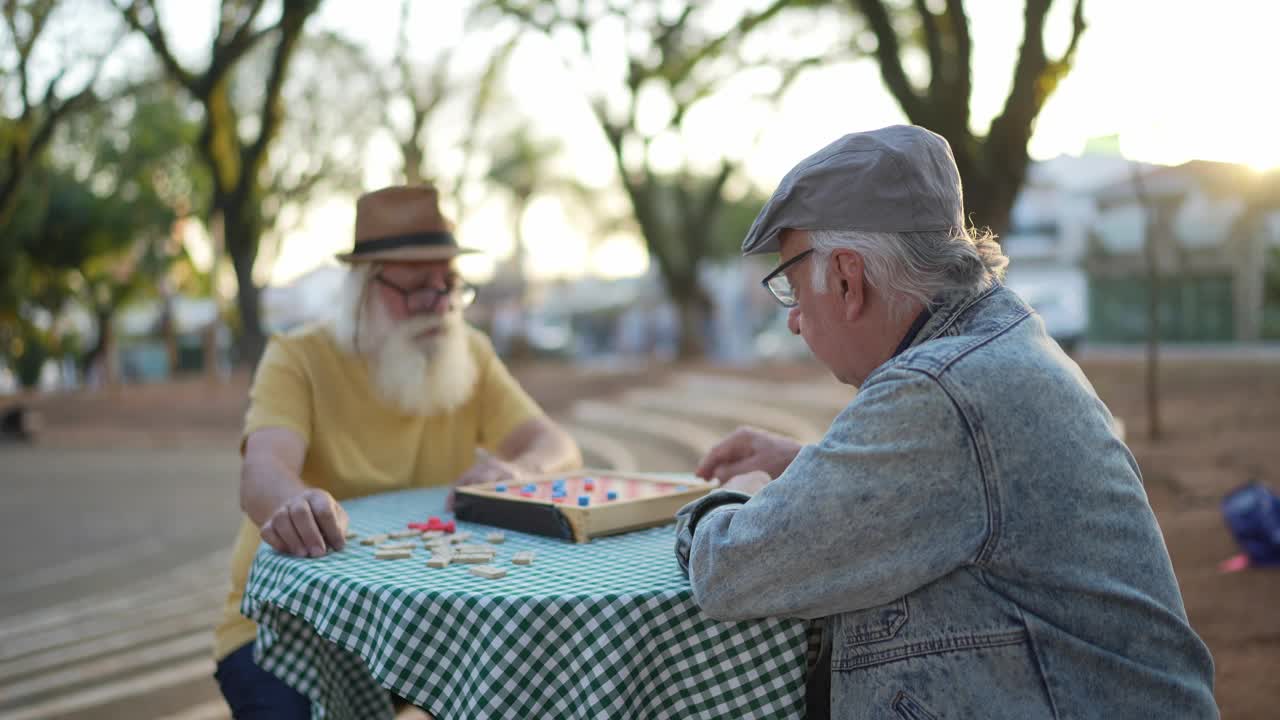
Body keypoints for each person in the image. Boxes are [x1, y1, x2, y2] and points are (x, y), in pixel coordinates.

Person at [674, 125, 1217, 718]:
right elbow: (959, 489)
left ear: (849, 280)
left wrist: (737, 494)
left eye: (793, 289)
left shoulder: (936, 392)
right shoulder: (998, 337)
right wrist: (806, 466)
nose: (795, 321)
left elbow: (728, 569)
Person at [213, 185, 582, 719]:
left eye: (450, 285)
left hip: (414, 626)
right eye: (416, 289)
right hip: (285, 625)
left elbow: (557, 445)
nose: (440, 306)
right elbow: (262, 472)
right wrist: (296, 504)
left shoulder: (467, 350)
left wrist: (518, 470)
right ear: (363, 289)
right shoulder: (297, 357)